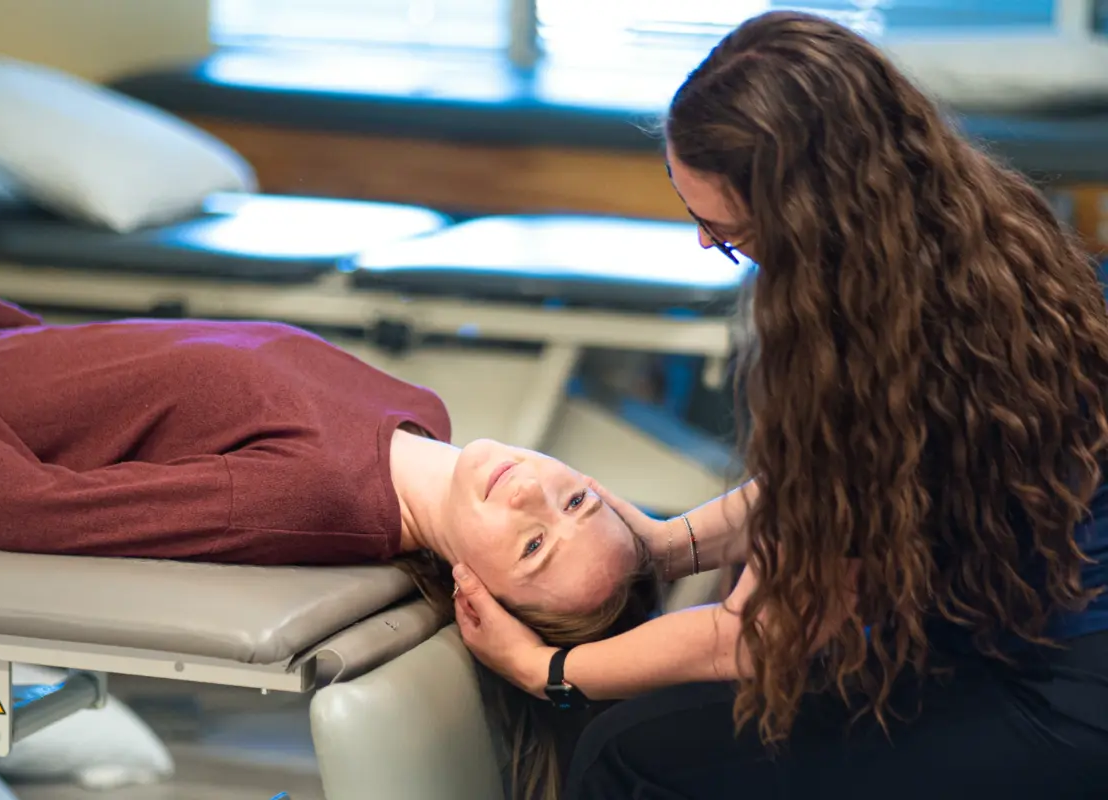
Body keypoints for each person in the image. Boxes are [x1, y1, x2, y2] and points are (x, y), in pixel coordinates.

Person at [452, 10, 1108, 800]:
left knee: (626, 752)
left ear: (806, 221)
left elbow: (759, 639)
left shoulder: (880, 350)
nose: (706, 245)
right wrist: (669, 546)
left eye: (726, 232)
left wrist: (547, 669)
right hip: (1029, 639)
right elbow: (842, 489)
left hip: (1063, 701)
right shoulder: (984, 235)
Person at [0, 283, 663, 798]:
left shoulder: (311, 495)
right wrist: (0, 326)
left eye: (530, 549)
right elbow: (163, 389)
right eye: (577, 502)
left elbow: (33, 506)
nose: (532, 501)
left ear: (474, 591)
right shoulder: (421, 413)